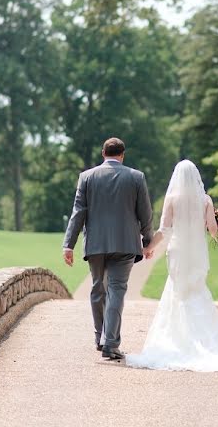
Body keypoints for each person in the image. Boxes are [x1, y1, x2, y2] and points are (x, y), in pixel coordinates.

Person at [126, 159, 218, 372]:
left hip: (178, 251)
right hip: (197, 253)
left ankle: (177, 342)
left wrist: (149, 248)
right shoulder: (205, 200)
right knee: (197, 291)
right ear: (196, 177)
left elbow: (164, 230)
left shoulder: (172, 198)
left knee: (178, 292)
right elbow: (212, 231)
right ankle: (202, 341)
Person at [62, 137, 153, 361]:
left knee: (97, 289)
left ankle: (99, 337)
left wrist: (68, 244)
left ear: (103, 153)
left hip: (96, 244)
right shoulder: (136, 177)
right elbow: (145, 213)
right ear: (122, 155)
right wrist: (148, 240)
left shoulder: (86, 177)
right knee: (117, 290)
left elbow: (78, 213)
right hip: (125, 244)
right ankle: (110, 343)